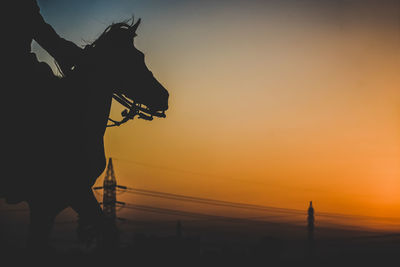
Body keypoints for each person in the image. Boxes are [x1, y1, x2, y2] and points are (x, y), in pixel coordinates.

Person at [1, 0, 104, 250]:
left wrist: (79, 55)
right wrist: (82, 57)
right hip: (15, 73)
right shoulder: (22, 7)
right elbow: (49, 39)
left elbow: (48, 37)